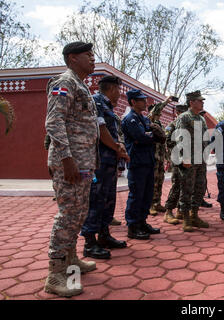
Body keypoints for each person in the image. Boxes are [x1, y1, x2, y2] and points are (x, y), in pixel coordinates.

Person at [44, 41, 99, 297]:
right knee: (67, 215)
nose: (92, 58)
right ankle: (55, 274)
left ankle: (70, 260)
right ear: (72, 58)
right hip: (71, 163)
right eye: (88, 55)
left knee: (79, 213)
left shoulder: (81, 85)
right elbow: (54, 122)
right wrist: (66, 159)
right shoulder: (63, 82)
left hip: (83, 161)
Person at [80, 76, 129, 260]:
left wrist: (118, 149)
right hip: (98, 162)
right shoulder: (97, 101)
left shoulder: (108, 106)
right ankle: (90, 243)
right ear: (111, 89)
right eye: (118, 89)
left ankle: (104, 236)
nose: (120, 93)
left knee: (107, 200)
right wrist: (117, 147)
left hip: (109, 162)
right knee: (96, 199)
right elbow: (101, 130)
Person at [122, 89, 165, 240]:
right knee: (136, 195)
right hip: (137, 162)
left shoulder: (144, 119)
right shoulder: (130, 119)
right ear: (133, 102)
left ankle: (142, 222)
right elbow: (140, 137)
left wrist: (149, 135)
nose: (145, 102)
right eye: (141, 100)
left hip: (148, 161)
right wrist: (149, 136)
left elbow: (153, 136)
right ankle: (133, 227)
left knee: (147, 194)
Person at [175, 90, 210, 232]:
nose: (202, 102)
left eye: (202, 101)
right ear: (191, 102)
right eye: (200, 100)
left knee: (200, 187)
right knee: (187, 188)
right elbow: (180, 138)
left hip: (200, 159)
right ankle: (186, 218)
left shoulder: (201, 119)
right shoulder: (184, 117)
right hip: (189, 159)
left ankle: (194, 215)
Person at [148, 97, 174, 216]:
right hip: (153, 157)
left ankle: (157, 203)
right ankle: (150, 205)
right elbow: (156, 110)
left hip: (160, 157)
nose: (159, 113)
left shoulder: (160, 125)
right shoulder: (149, 121)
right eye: (157, 111)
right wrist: (166, 102)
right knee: (152, 182)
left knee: (159, 181)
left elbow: (164, 143)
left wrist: (167, 158)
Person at [163, 104, 188, 224]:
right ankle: (168, 212)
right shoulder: (172, 126)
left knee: (185, 185)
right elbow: (168, 141)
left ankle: (180, 210)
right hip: (177, 159)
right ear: (178, 113)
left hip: (187, 159)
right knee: (176, 184)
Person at [199, 109, 213, 208]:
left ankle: (200, 198)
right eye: (201, 114)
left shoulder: (203, 126)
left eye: (203, 114)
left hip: (202, 156)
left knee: (202, 179)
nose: (203, 116)